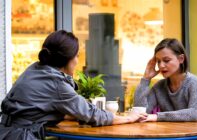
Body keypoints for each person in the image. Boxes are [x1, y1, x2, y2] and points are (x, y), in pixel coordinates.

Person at [0, 30, 147, 140]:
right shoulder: (57, 83)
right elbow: (93, 115)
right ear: (68, 59)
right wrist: (129, 118)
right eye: (77, 56)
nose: (78, 60)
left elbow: (39, 108)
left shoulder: (36, 68)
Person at [134, 38, 197, 122]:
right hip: (173, 133)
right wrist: (146, 79)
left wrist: (157, 117)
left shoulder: (194, 82)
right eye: (158, 61)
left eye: (166, 60)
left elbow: (194, 114)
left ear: (181, 59)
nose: (161, 65)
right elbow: (140, 112)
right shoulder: (158, 87)